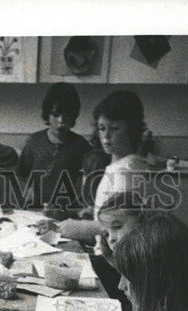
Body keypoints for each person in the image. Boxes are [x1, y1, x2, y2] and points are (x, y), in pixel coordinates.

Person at [57, 90, 150, 245]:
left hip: (114, 257)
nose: (106, 136)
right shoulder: (125, 165)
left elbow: (122, 225)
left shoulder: (123, 173)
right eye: (102, 128)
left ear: (131, 130)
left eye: (115, 128)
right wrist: (94, 213)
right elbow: (115, 212)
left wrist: (78, 227)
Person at [16, 83, 91, 211]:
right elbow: (20, 174)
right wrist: (27, 190)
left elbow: (89, 181)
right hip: (34, 210)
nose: (61, 121)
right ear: (47, 115)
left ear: (73, 117)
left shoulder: (81, 146)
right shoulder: (33, 142)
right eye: (56, 115)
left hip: (67, 213)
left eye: (67, 116)